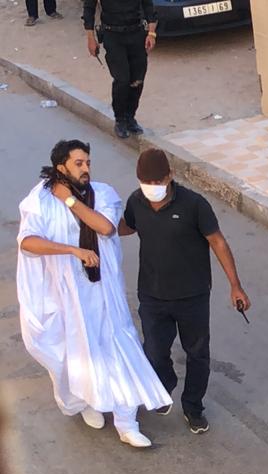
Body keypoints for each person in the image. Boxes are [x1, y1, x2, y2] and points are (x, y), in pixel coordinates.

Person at [16, 139, 170, 448]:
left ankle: (127, 422)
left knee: (119, 346)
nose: (86, 168)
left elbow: (105, 228)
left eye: (88, 162)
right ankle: (88, 402)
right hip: (69, 295)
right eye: (78, 163)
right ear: (61, 167)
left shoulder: (102, 193)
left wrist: (71, 202)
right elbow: (28, 242)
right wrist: (72, 249)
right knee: (79, 353)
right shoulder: (40, 201)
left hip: (105, 290)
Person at [117, 149, 249, 434]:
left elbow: (218, 242)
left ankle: (193, 407)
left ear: (170, 176)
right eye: (145, 182)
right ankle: (163, 388)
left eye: (156, 182)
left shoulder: (194, 205)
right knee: (153, 351)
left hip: (193, 296)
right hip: (152, 295)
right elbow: (125, 227)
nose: (151, 188)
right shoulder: (136, 202)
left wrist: (235, 286)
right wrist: (92, 225)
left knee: (197, 353)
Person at [83, 0, 156, 138]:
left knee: (137, 79)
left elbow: (148, 5)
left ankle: (130, 117)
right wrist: (90, 38)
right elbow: (89, 9)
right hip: (113, 35)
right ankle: (120, 119)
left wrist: (151, 33)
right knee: (122, 79)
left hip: (136, 33)